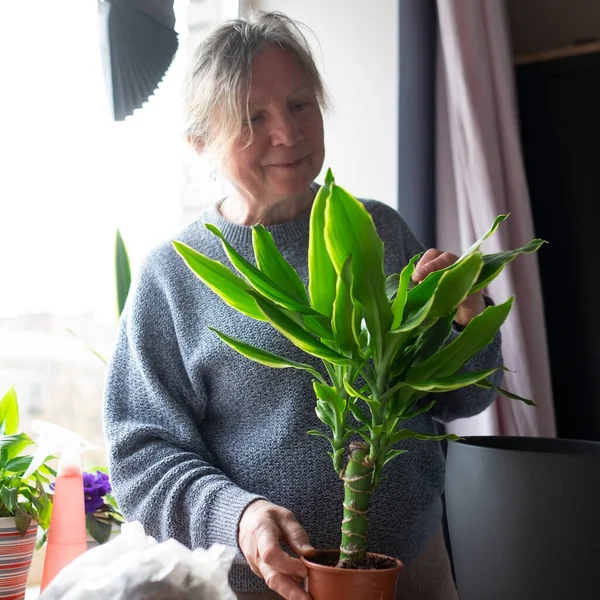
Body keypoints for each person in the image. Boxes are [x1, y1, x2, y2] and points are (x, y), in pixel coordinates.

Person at [103, 11, 503, 600]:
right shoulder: (175, 276)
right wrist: (238, 517)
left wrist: (468, 324)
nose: (287, 134)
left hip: (413, 572)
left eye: (299, 105)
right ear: (199, 143)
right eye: (251, 118)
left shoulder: (376, 231)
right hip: (259, 586)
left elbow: (461, 399)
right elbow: (141, 455)